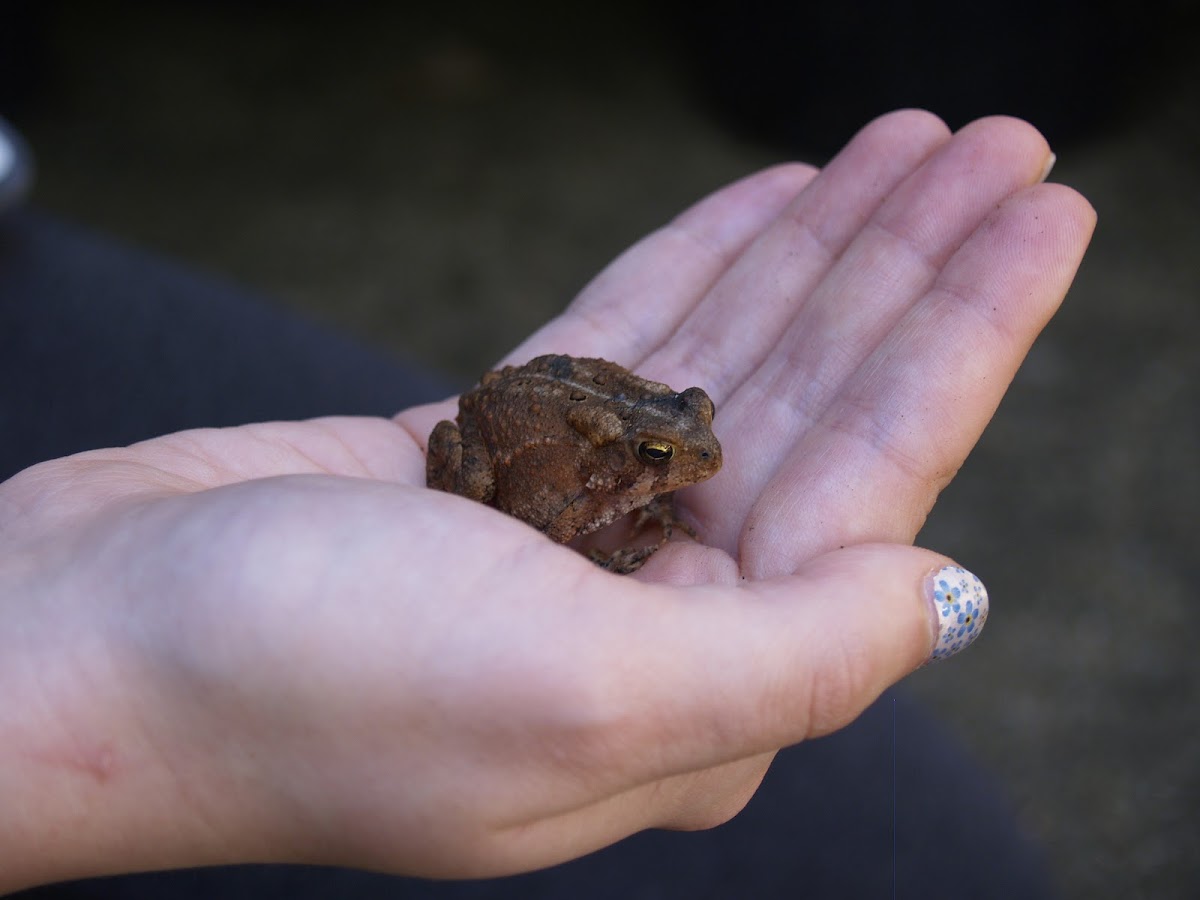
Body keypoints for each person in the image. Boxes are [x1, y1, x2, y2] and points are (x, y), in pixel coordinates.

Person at [0, 110, 1095, 897]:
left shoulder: (638, 452)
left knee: (950, 856)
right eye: (671, 455)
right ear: (634, 453)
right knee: (929, 859)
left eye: (689, 434)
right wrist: (110, 680)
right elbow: (559, 521)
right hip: (496, 437)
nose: (692, 462)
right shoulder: (597, 480)